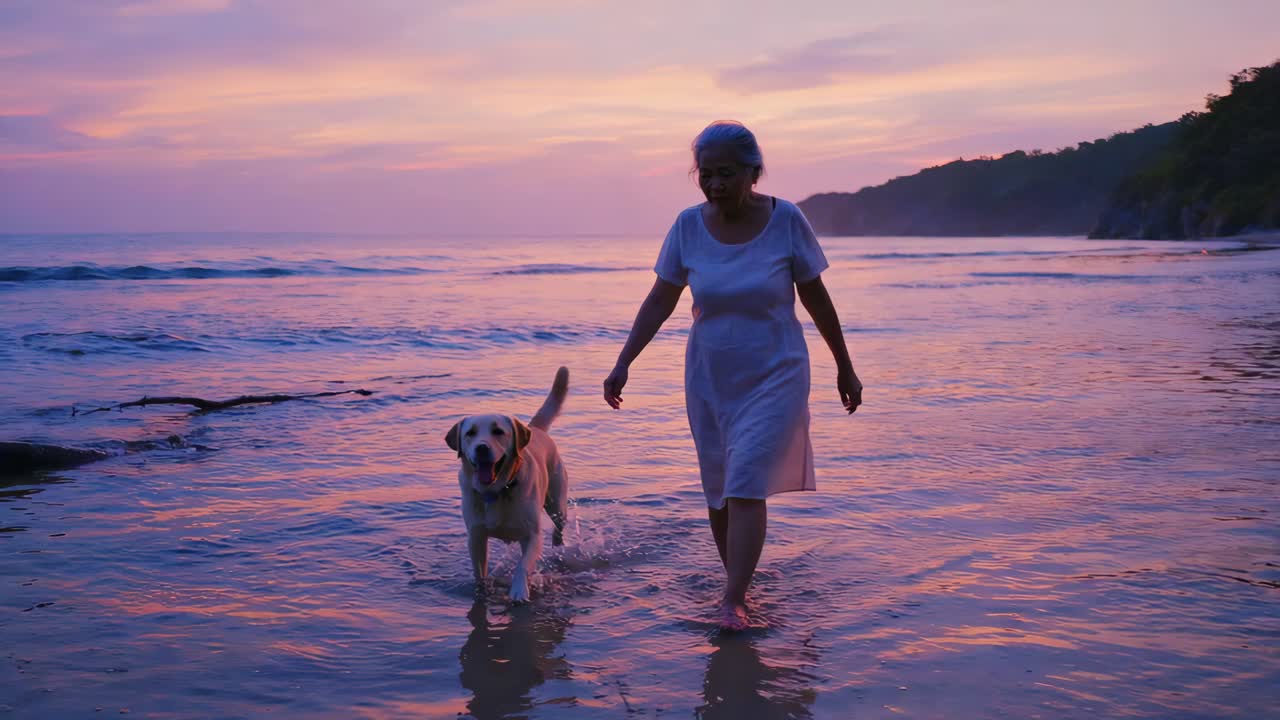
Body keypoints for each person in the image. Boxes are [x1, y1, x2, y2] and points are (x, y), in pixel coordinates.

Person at [602, 120, 862, 631]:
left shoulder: (786, 219)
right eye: (706, 174)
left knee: (745, 485)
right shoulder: (687, 226)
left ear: (753, 172)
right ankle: (739, 585)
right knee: (719, 491)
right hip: (711, 375)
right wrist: (623, 361)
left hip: (777, 370)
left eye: (726, 174)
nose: (715, 184)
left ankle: (734, 599)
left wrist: (845, 366)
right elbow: (660, 298)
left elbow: (816, 297)